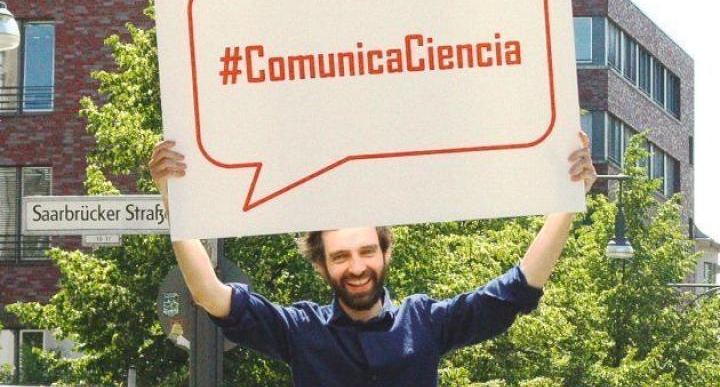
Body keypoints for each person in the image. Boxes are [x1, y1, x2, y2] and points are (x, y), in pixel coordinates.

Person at [149, 131, 597, 387]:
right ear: (322, 266)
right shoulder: (299, 330)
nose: (357, 266)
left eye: (366, 250)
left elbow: (518, 288)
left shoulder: (424, 322)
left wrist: (568, 201)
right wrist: (173, 197)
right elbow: (208, 292)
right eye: (341, 256)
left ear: (385, 253)